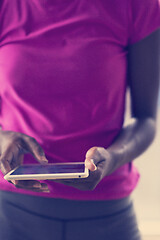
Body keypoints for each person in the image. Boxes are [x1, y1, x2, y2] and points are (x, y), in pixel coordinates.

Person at [0, 0, 160, 239]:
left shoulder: (137, 6)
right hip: (11, 217)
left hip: (108, 217)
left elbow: (146, 118)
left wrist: (113, 158)